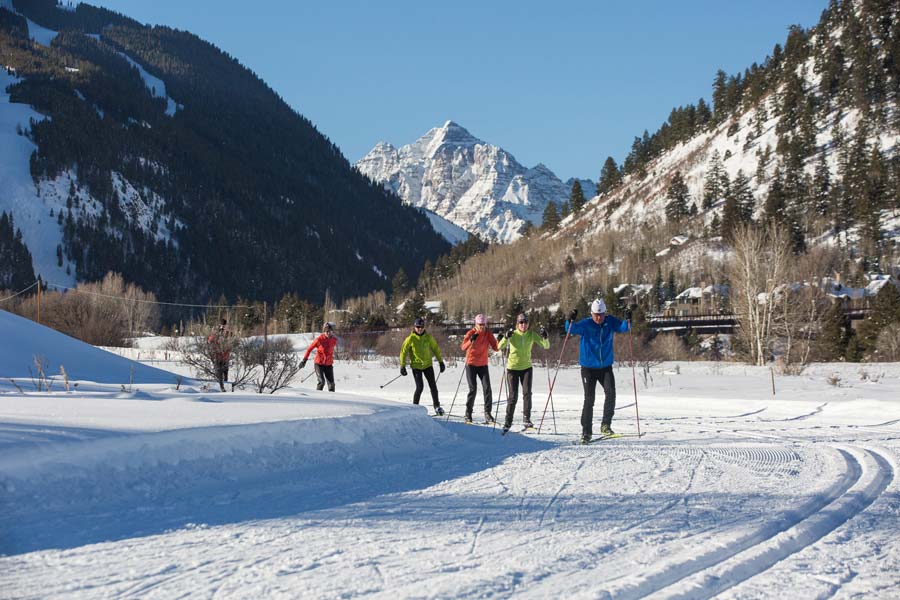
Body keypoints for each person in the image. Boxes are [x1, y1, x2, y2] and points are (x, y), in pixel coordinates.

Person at [566, 299, 631, 444]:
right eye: (596, 315)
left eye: (601, 315)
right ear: (592, 313)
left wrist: (628, 319)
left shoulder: (610, 321)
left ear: (605, 313)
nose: (599, 318)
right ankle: (586, 432)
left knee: (611, 393)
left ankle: (605, 425)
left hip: (605, 367)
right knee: (589, 399)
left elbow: (623, 328)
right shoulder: (586, 324)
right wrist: (570, 319)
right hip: (588, 368)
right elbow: (570, 329)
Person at [497, 313, 550, 433]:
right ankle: (508, 421)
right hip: (512, 369)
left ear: (528, 324)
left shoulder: (531, 335)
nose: (523, 325)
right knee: (513, 396)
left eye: (525, 322)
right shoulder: (513, 334)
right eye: (521, 322)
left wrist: (545, 337)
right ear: (517, 324)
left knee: (527, 394)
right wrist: (505, 337)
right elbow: (499, 347)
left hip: (526, 368)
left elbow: (546, 346)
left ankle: (527, 419)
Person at [399, 317, 446, 416]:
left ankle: (437, 406)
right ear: (414, 327)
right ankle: (415, 408)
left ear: (424, 327)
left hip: (428, 365)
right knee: (420, 387)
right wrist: (402, 366)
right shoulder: (410, 339)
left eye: (422, 327)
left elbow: (435, 349)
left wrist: (441, 362)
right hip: (416, 367)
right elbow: (403, 352)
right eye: (418, 327)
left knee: (433, 386)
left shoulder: (428, 337)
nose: (420, 329)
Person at [460, 313, 499, 424]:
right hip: (471, 364)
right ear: (476, 324)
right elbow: (463, 347)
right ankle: (468, 414)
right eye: (479, 324)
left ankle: (488, 414)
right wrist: (471, 340)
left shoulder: (487, 334)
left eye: (483, 324)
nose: (481, 326)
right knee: (473, 389)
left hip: (483, 365)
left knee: (487, 389)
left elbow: (496, 348)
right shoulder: (471, 333)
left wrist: (500, 340)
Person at [300, 322, 338, 392]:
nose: (328, 333)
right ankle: (318, 398)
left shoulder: (334, 340)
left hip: (328, 365)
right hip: (319, 364)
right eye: (327, 331)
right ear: (324, 331)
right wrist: (304, 360)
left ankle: (332, 399)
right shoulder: (319, 339)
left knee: (331, 384)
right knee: (321, 382)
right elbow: (309, 349)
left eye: (330, 331)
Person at [207, 318, 232, 392]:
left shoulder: (228, 333)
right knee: (219, 371)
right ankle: (222, 388)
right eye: (221, 325)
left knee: (225, 371)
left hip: (225, 355)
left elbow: (233, 341)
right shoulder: (216, 333)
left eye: (224, 325)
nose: (223, 326)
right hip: (218, 355)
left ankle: (225, 387)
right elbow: (210, 341)